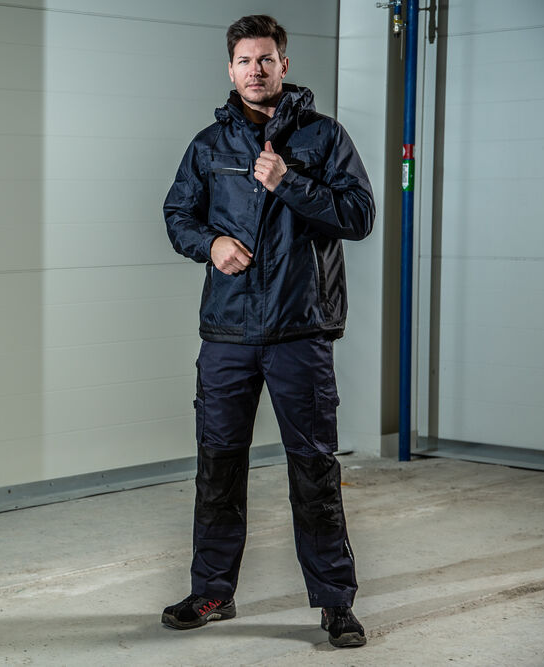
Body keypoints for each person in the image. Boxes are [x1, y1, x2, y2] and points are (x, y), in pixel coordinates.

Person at [161, 15, 374, 649]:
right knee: (218, 467)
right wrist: (210, 244)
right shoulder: (209, 145)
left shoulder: (324, 138)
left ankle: (335, 603)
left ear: (284, 65)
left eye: (266, 59)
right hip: (227, 333)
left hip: (299, 329)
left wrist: (289, 181)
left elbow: (359, 215)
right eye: (244, 60)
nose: (255, 70)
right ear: (230, 69)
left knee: (313, 469)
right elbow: (178, 214)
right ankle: (212, 591)